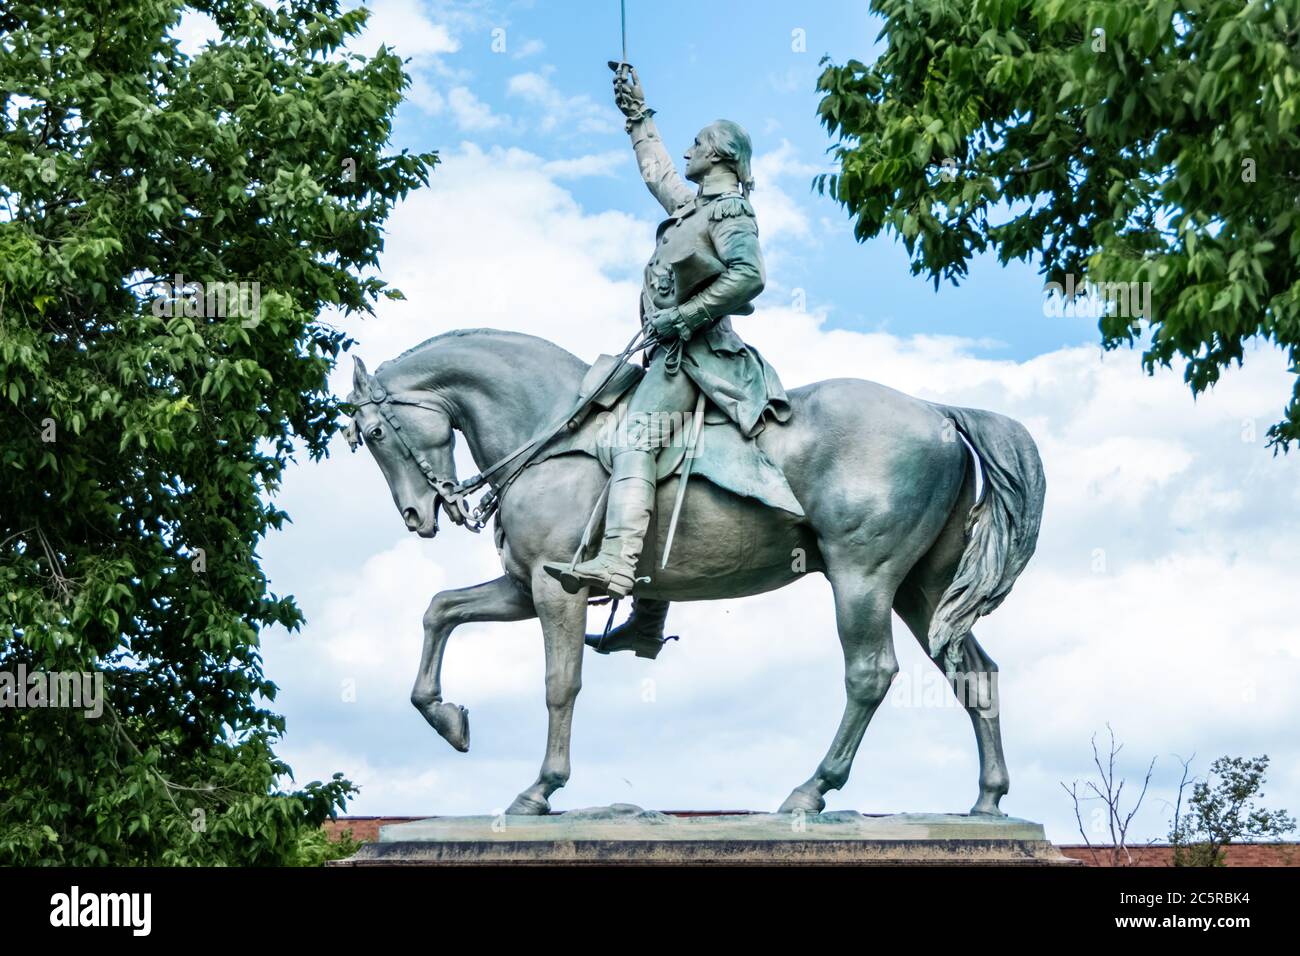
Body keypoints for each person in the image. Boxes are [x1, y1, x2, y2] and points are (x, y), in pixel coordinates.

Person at [544, 63, 791, 598]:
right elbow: (656, 171)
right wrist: (637, 114)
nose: (688, 151)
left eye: (699, 143)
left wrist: (682, 317)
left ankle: (615, 563)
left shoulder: (730, 211)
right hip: (667, 351)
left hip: (698, 355)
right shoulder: (690, 208)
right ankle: (650, 616)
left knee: (636, 438)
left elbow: (750, 276)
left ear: (721, 155)